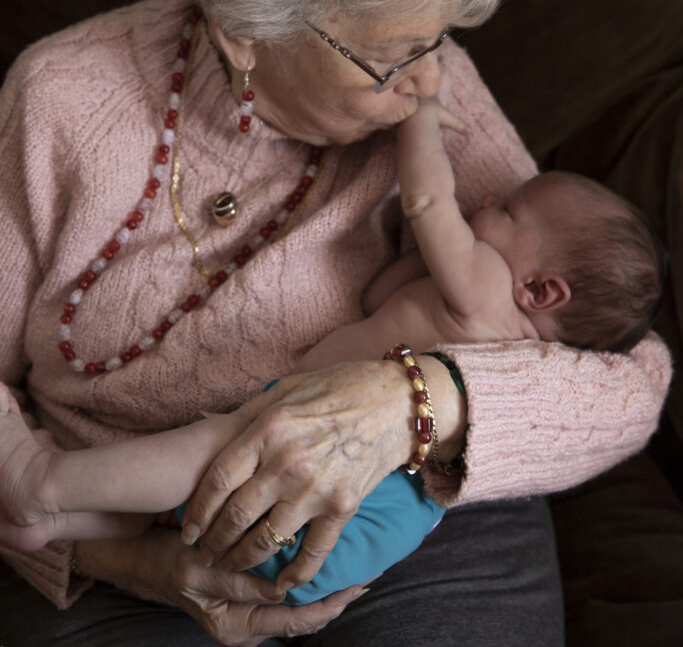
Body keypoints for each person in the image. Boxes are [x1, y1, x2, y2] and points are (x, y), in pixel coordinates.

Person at [0, 0, 670, 647]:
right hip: (132, 526)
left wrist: (415, 402)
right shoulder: (60, 101)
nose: (427, 82)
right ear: (246, 25)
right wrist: (108, 558)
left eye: (438, 39)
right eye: (392, 57)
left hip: (408, 510)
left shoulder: (430, 82)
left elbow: (627, 380)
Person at [0, 97, 665, 604]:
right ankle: (62, 532)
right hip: (390, 521)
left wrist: (421, 124)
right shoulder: (513, 329)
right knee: (188, 497)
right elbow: (383, 292)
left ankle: (47, 486)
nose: (489, 196)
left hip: (329, 457)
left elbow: (430, 200)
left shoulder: (489, 281)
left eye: (509, 210)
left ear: (541, 291)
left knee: (213, 449)